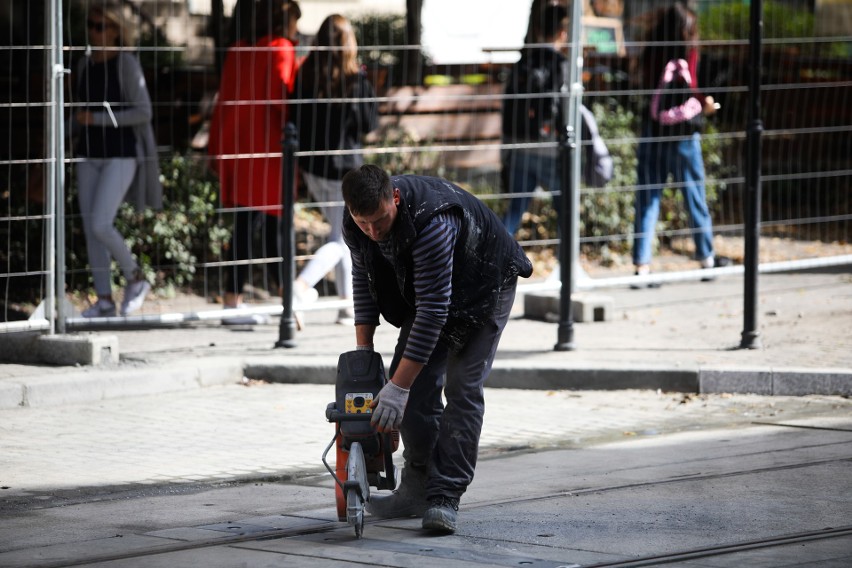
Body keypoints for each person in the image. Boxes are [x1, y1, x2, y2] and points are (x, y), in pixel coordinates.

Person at [341, 165, 533, 534]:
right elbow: (364, 283)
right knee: (410, 384)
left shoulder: (432, 221)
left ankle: (445, 496)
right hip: (436, 293)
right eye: (363, 222)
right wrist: (364, 355)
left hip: (485, 283)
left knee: (461, 386)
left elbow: (432, 313)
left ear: (394, 197)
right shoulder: (357, 223)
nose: (374, 231)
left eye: (380, 220)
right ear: (351, 210)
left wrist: (397, 387)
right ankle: (418, 487)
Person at [208, 0, 298, 322]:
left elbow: (225, 99)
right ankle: (285, 298)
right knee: (274, 226)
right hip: (270, 151)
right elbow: (283, 99)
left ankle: (239, 298)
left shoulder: (238, 50)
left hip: (238, 146)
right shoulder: (280, 48)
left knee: (246, 226)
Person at [73, 1, 160, 318]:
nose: (95, 33)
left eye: (102, 27)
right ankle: (105, 299)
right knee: (90, 226)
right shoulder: (84, 64)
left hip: (121, 154)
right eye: (91, 26)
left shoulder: (126, 64)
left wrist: (98, 119)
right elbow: (78, 112)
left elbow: (143, 112)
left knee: (101, 223)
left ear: (117, 30)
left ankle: (135, 276)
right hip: (88, 153)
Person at [292, 14, 379, 325]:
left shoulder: (305, 75)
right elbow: (368, 126)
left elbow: (295, 119)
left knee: (341, 231)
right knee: (344, 235)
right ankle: (299, 288)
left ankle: (347, 304)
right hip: (344, 170)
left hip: (313, 166)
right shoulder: (356, 81)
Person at [632, 2, 724, 287]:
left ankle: (641, 266)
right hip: (683, 135)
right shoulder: (688, 53)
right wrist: (706, 106)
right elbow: (693, 90)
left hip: (653, 132)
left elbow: (645, 92)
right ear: (687, 29)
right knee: (694, 196)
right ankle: (706, 258)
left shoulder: (651, 52)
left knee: (648, 199)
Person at [501, 3, 612, 239]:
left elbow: (508, 107)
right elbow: (566, 109)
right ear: (563, 33)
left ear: (539, 28)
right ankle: (566, 266)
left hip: (521, 148)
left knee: (514, 211)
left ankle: (494, 264)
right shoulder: (561, 65)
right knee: (565, 211)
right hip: (552, 152)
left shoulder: (522, 63)